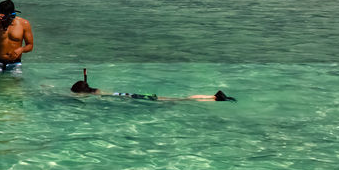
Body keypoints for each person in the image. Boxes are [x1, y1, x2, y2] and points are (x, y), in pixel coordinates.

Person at [70, 69, 235, 101]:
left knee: (181, 100)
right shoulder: (97, 90)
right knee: (179, 99)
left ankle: (214, 97)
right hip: (135, 95)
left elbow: (82, 95)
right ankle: (213, 97)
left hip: (138, 98)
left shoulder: (95, 95)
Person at [0, 0, 33, 73]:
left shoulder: (24, 24)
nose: (6, 21)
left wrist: (21, 49)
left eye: (10, 18)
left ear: (13, 14)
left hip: (15, 63)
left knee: (16, 83)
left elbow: (30, 46)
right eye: (4, 18)